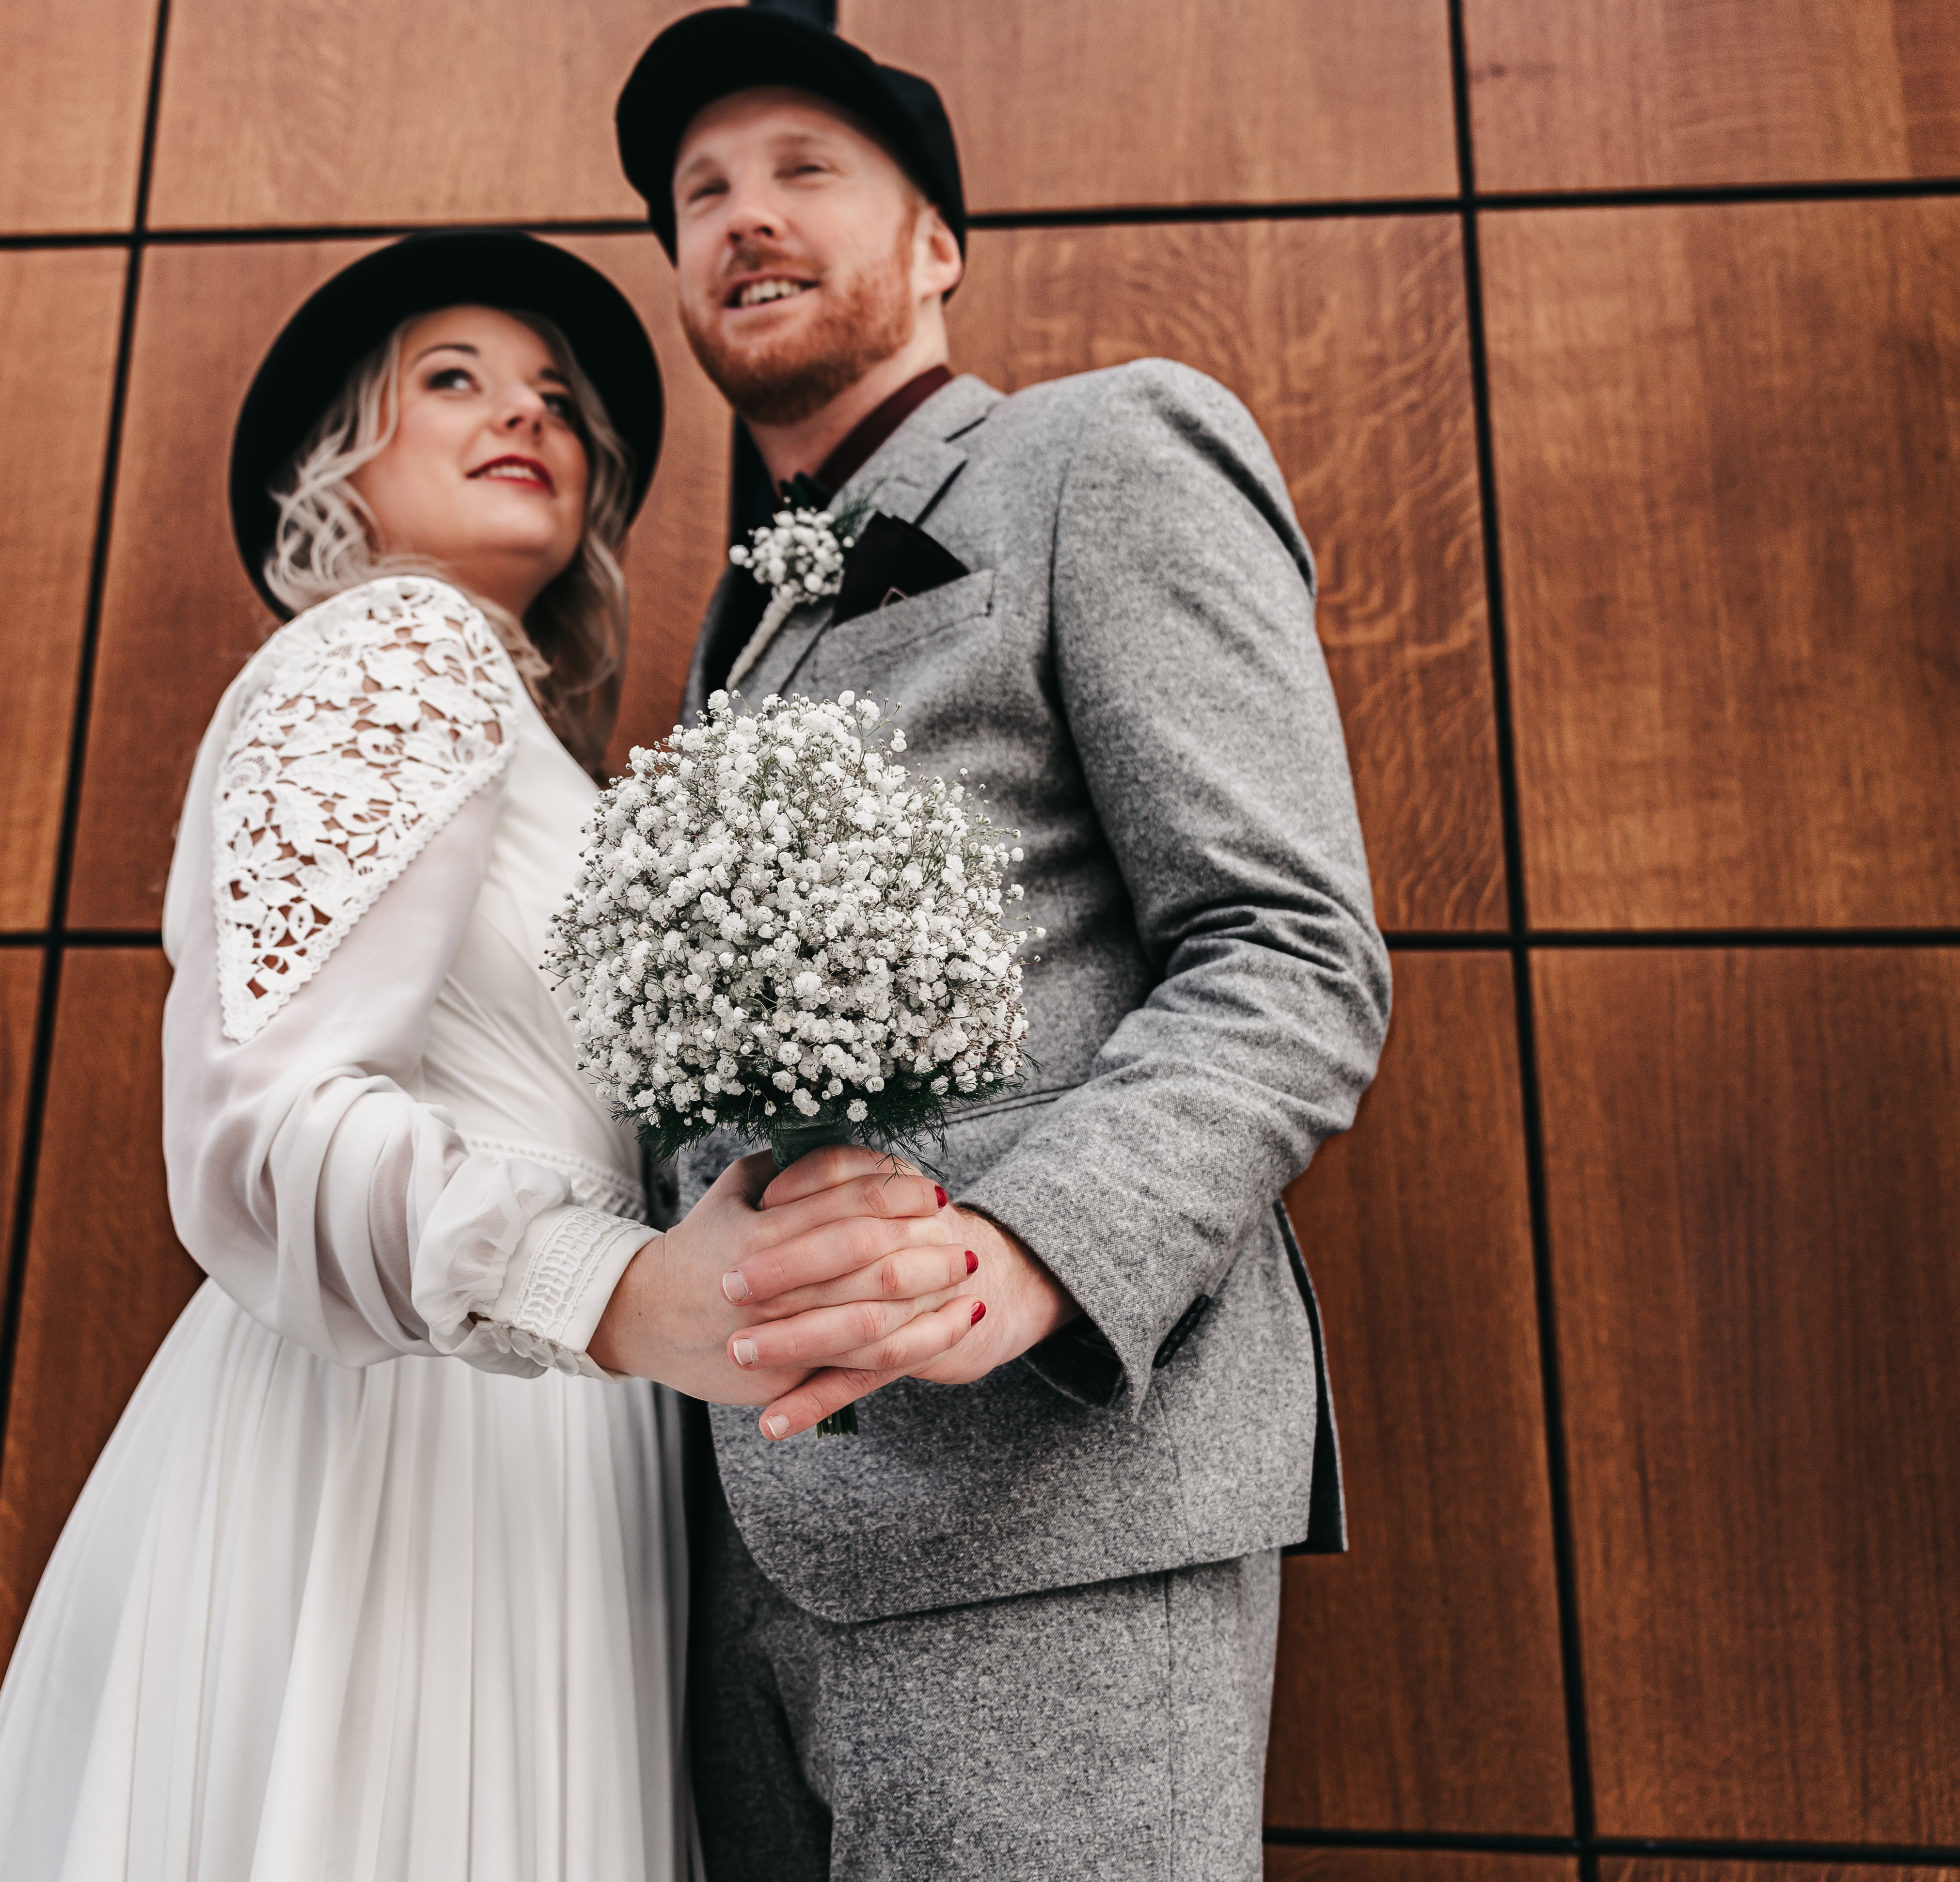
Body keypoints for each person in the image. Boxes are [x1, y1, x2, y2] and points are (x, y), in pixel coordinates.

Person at [0, 231, 987, 1882]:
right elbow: (257, 1116)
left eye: (561, 400)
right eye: (455, 380)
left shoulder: (548, 752)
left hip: (568, 1431)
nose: (529, 415)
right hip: (407, 1437)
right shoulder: (390, 656)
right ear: (339, 461)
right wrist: (618, 1288)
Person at [612, 14, 1394, 1879]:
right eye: (701, 195)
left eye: (806, 170)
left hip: (1052, 1507)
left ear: (939, 243)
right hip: (743, 1547)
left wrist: (1029, 1251)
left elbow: (1291, 950)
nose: (743, 217)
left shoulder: (1104, 450)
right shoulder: (738, 617)